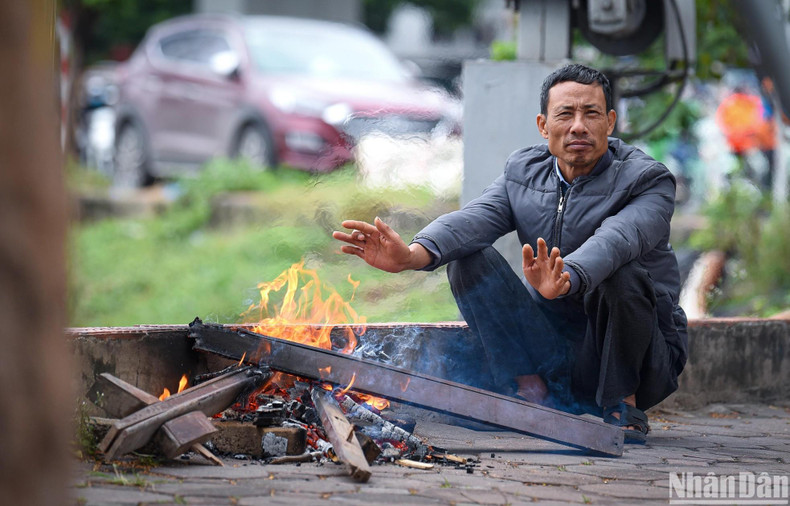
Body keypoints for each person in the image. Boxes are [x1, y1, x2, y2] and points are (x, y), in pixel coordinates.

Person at [333, 63, 688, 444]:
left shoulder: (648, 180)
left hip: (637, 354)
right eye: (565, 114)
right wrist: (414, 255)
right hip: (553, 350)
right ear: (543, 125)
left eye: (591, 114)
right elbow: (475, 219)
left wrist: (568, 277)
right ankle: (531, 392)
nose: (578, 126)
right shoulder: (523, 171)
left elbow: (619, 238)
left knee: (623, 274)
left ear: (610, 122)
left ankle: (622, 403)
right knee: (469, 259)